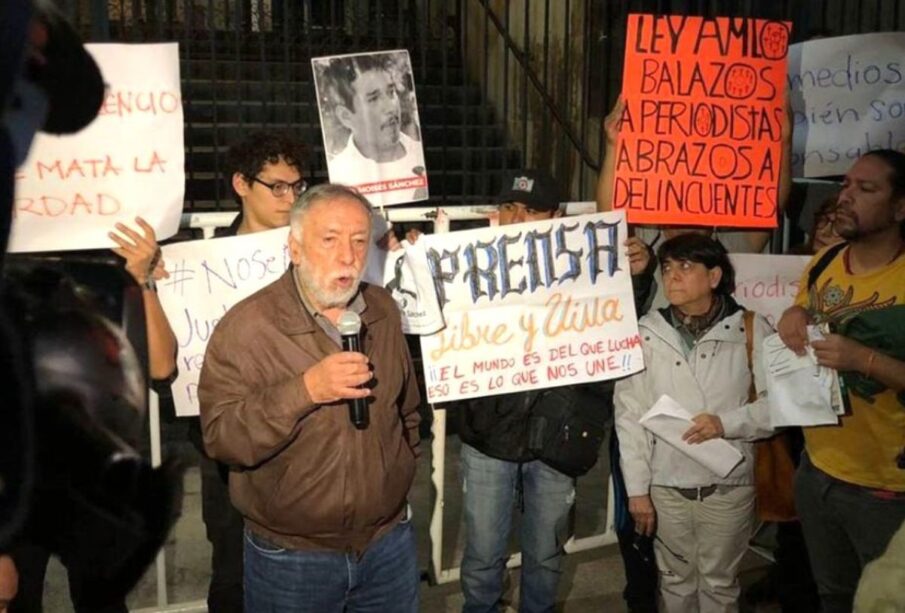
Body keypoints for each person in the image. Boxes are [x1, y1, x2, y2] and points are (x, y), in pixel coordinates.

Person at [198, 184, 421, 612]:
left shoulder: (383, 311)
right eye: (330, 239)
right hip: (293, 557)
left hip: (387, 543)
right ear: (295, 249)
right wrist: (305, 391)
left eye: (359, 241)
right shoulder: (247, 327)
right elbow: (222, 438)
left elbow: (406, 410)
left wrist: (399, 473)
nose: (348, 256)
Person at [455, 169, 655, 613]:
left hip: (559, 436)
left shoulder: (586, 266)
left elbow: (620, 320)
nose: (516, 218)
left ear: (556, 216)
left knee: (545, 555)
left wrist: (636, 276)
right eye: (508, 206)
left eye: (530, 209)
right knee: (484, 555)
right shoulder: (468, 263)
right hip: (489, 434)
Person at [615, 233, 774, 613]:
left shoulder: (752, 328)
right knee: (675, 581)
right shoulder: (645, 333)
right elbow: (629, 415)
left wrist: (727, 423)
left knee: (719, 584)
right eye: (668, 268)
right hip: (665, 486)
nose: (672, 277)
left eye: (686, 267)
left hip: (728, 486)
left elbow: (778, 408)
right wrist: (637, 491)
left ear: (714, 276)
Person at [776, 149, 905, 613]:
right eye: (847, 184)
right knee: (835, 596)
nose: (846, 197)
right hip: (820, 470)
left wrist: (864, 359)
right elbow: (807, 310)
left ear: (900, 207)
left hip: (886, 488)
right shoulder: (827, 260)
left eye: (866, 189)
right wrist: (796, 312)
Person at [187, 130, 307, 613]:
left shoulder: (313, 249)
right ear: (241, 184)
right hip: (230, 442)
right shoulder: (195, 262)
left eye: (298, 186)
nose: (290, 197)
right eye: (277, 186)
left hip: (302, 428)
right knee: (232, 565)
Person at [320, 54, 427, 206]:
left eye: (391, 92)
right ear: (346, 116)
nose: (390, 107)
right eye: (373, 98)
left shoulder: (420, 155)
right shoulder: (339, 176)